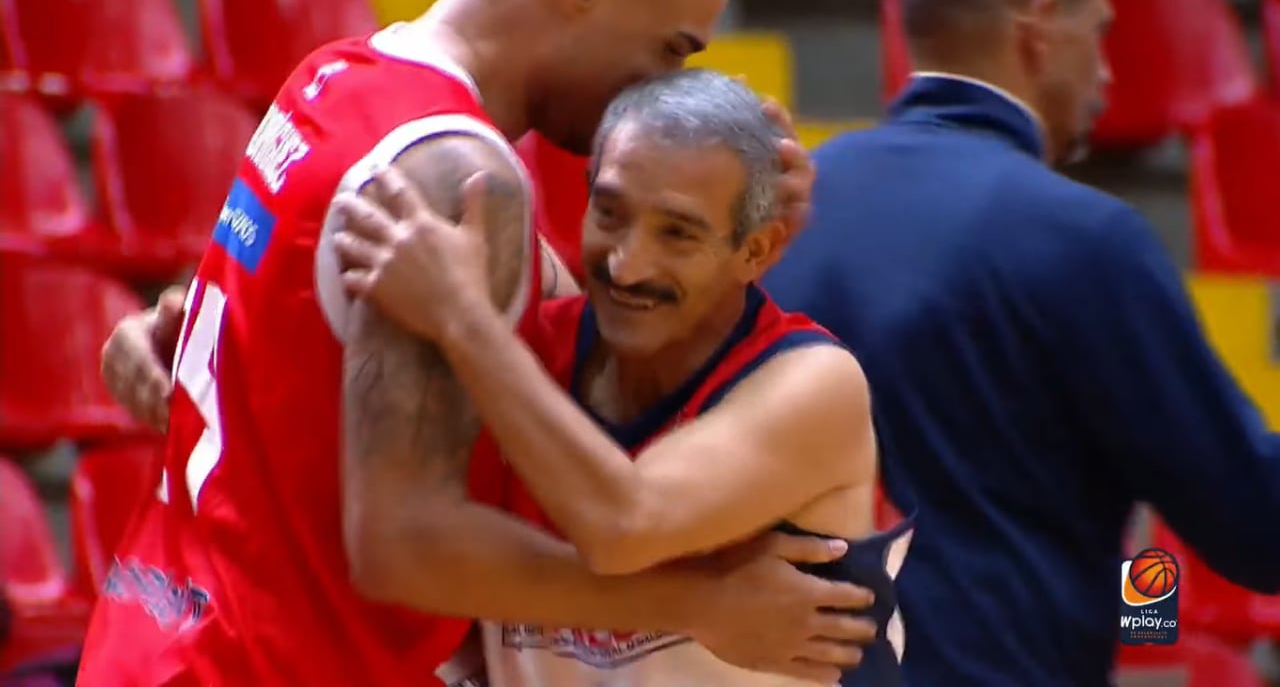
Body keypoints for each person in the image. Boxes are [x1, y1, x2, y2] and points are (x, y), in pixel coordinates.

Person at [78, 0, 874, 686]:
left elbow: (259, 333)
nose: (662, 86)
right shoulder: (463, 176)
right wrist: (699, 605)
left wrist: (736, 223)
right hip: (273, 660)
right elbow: (409, 546)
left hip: (153, 633)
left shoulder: (332, 78)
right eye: (670, 47)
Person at [761, 0, 1280, 686]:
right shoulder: (1085, 238)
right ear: (1038, 26)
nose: (1105, 70)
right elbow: (1256, 527)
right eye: (1099, 33)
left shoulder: (783, 211)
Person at [332, 68, 913, 687]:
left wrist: (460, 316)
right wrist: (697, 602)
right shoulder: (529, 351)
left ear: (755, 251)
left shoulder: (814, 384)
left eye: (677, 234)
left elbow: (623, 526)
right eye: (609, 214)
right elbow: (409, 552)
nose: (628, 265)